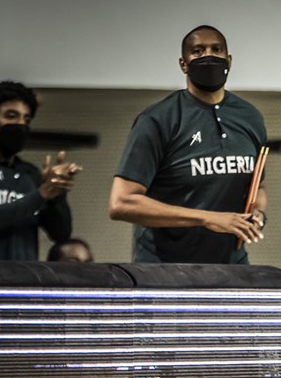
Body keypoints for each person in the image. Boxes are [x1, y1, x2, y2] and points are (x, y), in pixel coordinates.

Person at [109, 25, 266, 264]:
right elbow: (121, 203)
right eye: (198, 51)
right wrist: (206, 218)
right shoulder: (158, 119)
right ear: (183, 64)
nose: (208, 56)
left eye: (216, 49)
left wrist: (258, 213)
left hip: (230, 266)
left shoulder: (250, 117)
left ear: (229, 60)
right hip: (164, 268)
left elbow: (259, 187)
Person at [0, 81, 79, 260]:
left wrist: (56, 195)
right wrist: (41, 194)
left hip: (25, 281)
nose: (20, 125)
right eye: (11, 116)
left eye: (26, 119)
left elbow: (61, 234)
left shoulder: (30, 173)